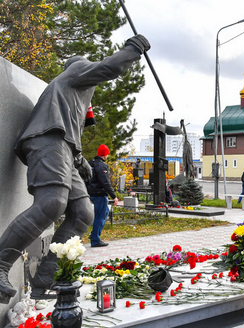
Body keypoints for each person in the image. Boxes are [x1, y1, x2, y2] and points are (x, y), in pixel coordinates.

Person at [0, 34, 150, 302]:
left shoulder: (72, 95)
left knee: (83, 213)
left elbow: (71, 128)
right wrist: (133, 48)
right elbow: (109, 67)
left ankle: (46, 280)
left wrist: (79, 159)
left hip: (64, 148)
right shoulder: (77, 70)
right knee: (52, 203)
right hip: (49, 140)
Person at [86, 145, 118, 247]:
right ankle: (95, 239)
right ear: (105, 155)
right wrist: (114, 196)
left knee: (103, 213)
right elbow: (105, 182)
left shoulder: (90, 163)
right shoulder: (101, 165)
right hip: (100, 194)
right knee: (101, 216)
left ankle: (94, 234)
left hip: (91, 193)